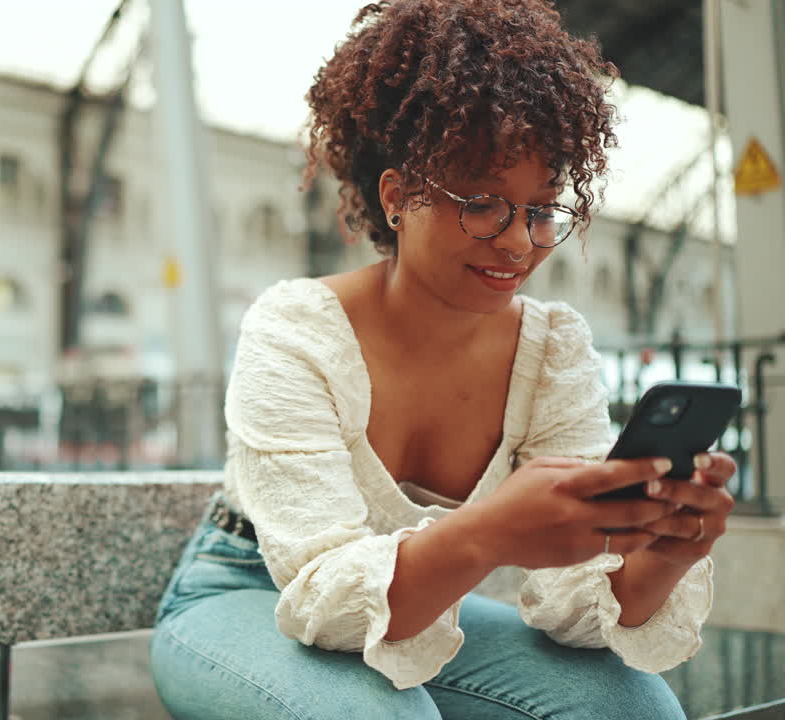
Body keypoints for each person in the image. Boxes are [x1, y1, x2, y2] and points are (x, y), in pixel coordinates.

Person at [149, 1, 736, 718]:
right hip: (248, 589)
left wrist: (665, 550)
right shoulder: (295, 329)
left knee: (632, 708)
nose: (519, 244)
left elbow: (578, 604)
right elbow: (321, 595)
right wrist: (489, 531)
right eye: (484, 203)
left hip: (421, 604)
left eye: (542, 210)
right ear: (398, 196)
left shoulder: (552, 352)